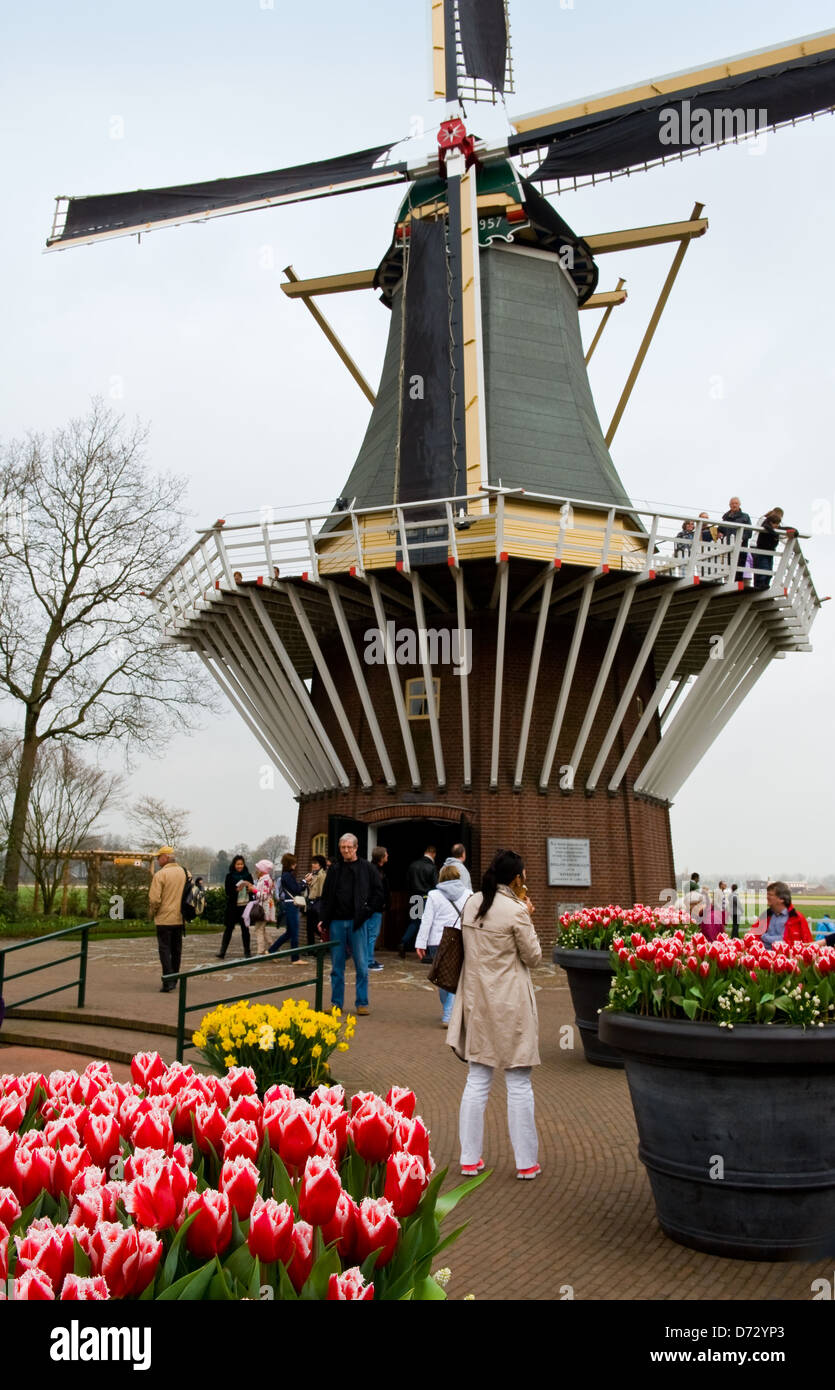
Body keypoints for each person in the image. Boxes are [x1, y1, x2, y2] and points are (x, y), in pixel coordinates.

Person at [448, 848, 542, 1181]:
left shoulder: (472, 902)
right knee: (518, 1082)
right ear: (517, 878)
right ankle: (525, 1163)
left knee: (477, 1080)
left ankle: (470, 1159)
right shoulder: (516, 911)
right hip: (511, 1003)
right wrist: (527, 915)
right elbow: (534, 958)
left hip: (477, 1000)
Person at [319, 833, 384, 1016]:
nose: (346, 850)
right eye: (343, 847)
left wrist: (367, 911)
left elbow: (379, 893)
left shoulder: (368, 868)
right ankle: (336, 1003)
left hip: (358, 922)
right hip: (337, 922)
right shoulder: (334, 869)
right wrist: (323, 919)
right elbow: (326, 896)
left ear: (356, 848)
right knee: (336, 966)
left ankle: (362, 1002)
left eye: (349, 847)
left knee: (362, 964)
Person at [416, 864, 472, 1025]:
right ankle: (450, 1010)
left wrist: (421, 943)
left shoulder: (433, 895)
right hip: (460, 940)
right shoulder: (469, 894)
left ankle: (448, 1013)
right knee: (455, 976)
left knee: (442, 976)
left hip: (437, 941)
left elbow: (427, 920)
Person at [148, 847, 187, 993]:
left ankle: (167, 980)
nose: (157, 860)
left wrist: (153, 912)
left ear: (165, 857)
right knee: (176, 950)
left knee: (164, 950)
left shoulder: (160, 875)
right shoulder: (185, 872)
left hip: (164, 919)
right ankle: (174, 979)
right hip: (180, 917)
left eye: (159, 857)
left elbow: (154, 899)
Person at [399, 846, 438, 957]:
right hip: (426, 898)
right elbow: (436, 886)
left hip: (413, 897)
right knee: (427, 922)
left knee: (414, 922)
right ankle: (429, 951)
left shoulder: (413, 865)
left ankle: (403, 942)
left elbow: (407, 882)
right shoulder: (432, 867)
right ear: (433, 854)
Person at [269, 852, 307, 963]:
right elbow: (296, 889)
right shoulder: (287, 876)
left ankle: (271, 950)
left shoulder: (286, 875)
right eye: (294, 862)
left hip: (290, 904)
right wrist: (304, 882)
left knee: (289, 933)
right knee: (294, 932)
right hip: (291, 905)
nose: (296, 864)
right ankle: (295, 958)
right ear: (290, 864)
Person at [217, 855, 254, 959]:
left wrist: (249, 889)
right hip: (233, 907)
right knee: (228, 929)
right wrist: (236, 890)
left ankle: (247, 952)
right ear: (234, 865)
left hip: (245, 906)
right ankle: (222, 951)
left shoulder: (248, 876)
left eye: (241, 864)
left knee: (245, 930)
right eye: (238, 864)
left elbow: (252, 890)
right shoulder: (229, 876)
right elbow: (227, 892)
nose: (240, 866)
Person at [757, 881, 813, 948]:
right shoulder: (765, 916)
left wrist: (764, 937)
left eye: (770, 895)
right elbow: (753, 936)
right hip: (764, 956)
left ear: (781, 899)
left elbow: (808, 944)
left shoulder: (797, 918)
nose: (767, 897)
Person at [366, 846, 389, 971]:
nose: (388, 856)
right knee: (372, 934)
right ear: (381, 857)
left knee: (371, 934)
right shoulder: (376, 871)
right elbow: (377, 890)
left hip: (373, 907)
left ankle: (369, 958)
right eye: (386, 854)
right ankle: (368, 960)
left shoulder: (373, 869)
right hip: (374, 908)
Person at [720, 497, 753, 583]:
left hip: (741, 546)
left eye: (736, 503)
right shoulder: (726, 517)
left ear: (739, 504)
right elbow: (721, 528)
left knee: (739, 565)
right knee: (728, 564)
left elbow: (749, 531)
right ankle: (728, 582)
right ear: (729, 505)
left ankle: (738, 583)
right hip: (728, 546)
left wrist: (741, 539)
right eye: (732, 504)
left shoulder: (745, 517)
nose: (734, 505)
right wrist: (720, 533)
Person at [752, 508, 784, 590]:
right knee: (762, 567)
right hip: (758, 546)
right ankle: (760, 585)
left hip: (766, 548)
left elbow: (782, 533)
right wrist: (774, 533)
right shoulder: (765, 520)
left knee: (765, 568)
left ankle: (763, 585)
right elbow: (764, 527)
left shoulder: (774, 523)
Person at [251, 859, 277, 955]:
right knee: (261, 928)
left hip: (263, 908)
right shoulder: (266, 879)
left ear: (262, 869)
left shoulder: (265, 880)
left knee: (259, 929)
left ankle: (261, 951)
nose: (256, 870)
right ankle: (273, 947)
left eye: (258, 868)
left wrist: (254, 890)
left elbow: (264, 896)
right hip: (265, 907)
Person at [304, 854, 328, 946]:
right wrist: (308, 882)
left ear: (320, 864)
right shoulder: (311, 874)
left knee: (315, 927)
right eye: (312, 863)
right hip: (310, 903)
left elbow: (322, 891)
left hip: (317, 903)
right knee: (309, 928)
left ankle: (326, 942)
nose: (313, 865)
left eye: (316, 863)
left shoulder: (322, 875)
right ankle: (310, 949)